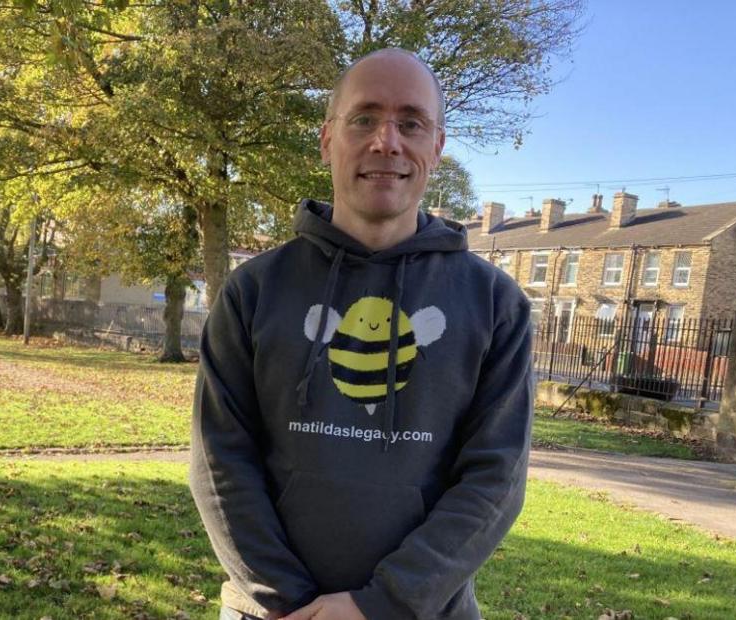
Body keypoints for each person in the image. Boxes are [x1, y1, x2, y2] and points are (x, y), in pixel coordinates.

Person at [190, 48, 533, 620]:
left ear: (437, 148)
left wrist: (383, 604)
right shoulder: (252, 291)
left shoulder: (496, 305)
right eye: (365, 118)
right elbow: (220, 460)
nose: (387, 141)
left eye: (411, 122)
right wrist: (288, 602)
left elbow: (495, 482)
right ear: (328, 139)